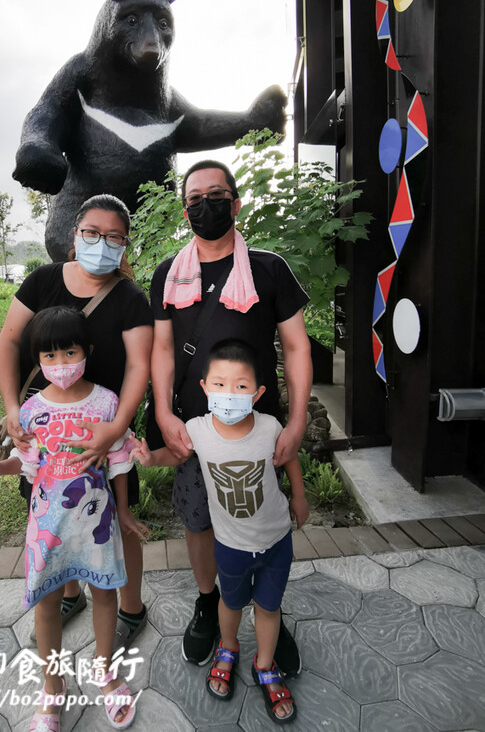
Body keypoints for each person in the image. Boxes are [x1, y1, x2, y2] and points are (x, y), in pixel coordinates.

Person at [148, 160, 312, 673]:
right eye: (195, 199)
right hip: (194, 432)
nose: (205, 204)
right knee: (199, 522)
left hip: (258, 431)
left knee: (264, 521)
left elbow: (296, 345)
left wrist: (299, 419)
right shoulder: (167, 274)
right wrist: (162, 413)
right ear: (185, 210)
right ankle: (206, 600)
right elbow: (160, 350)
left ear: (236, 203)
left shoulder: (268, 268)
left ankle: (269, 611)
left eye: (216, 194)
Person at [0, 306, 145, 729]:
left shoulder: (107, 403)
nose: (60, 364)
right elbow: (27, 464)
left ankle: (105, 672)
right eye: (49, 356)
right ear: (37, 360)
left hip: (96, 526)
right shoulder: (29, 412)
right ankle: (52, 687)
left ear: (88, 350)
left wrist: (123, 512)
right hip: (46, 529)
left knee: (104, 595)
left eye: (69, 352)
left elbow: (118, 463)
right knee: (47, 604)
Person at [0, 194, 153, 649]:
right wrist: (11, 407)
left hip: (104, 425)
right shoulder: (42, 280)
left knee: (117, 520)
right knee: (53, 514)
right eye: (92, 233)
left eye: (113, 236)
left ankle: (131, 606)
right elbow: (9, 343)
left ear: (125, 244)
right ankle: (70, 595)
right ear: (75, 233)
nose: (101, 243)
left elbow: (139, 366)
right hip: (49, 430)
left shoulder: (129, 298)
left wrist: (117, 427)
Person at [132, 339, 308, 722]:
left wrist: (299, 496)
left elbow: (288, 457)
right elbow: (174, 455)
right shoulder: (196, 429)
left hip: (276, 540)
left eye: (241, 386)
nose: (230, 394)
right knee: (229, 603)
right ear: (204, 388)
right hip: (229, 546)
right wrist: (149, 458)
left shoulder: (269, 426)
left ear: (259, 392)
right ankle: (228, 648)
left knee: (268, 606)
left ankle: (265, 665)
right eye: (220, 384)